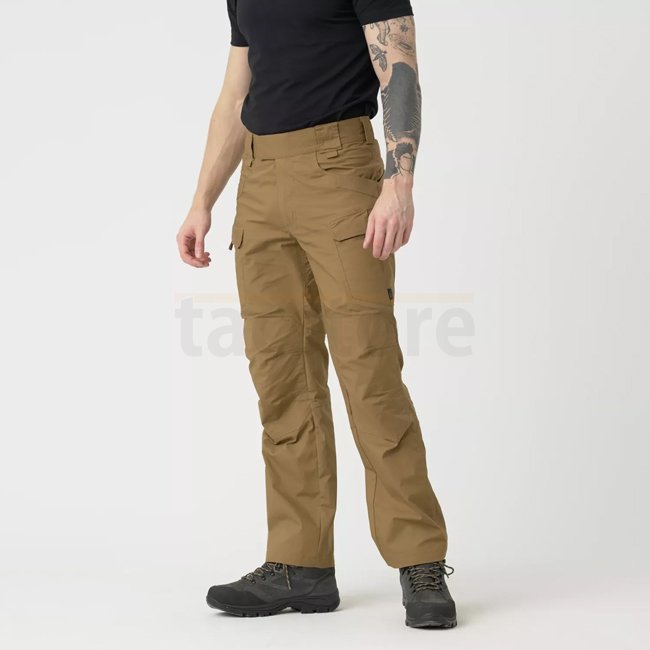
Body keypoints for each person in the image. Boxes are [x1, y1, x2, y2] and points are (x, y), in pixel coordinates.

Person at [176, 0, 457, 629]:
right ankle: (300, 566)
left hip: (340, 172)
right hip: (259, 181)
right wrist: (202, 200)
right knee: (281, 382)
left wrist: (399, 183)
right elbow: (236, 93)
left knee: (370, 375)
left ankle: (419, 560)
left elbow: (399, 70)